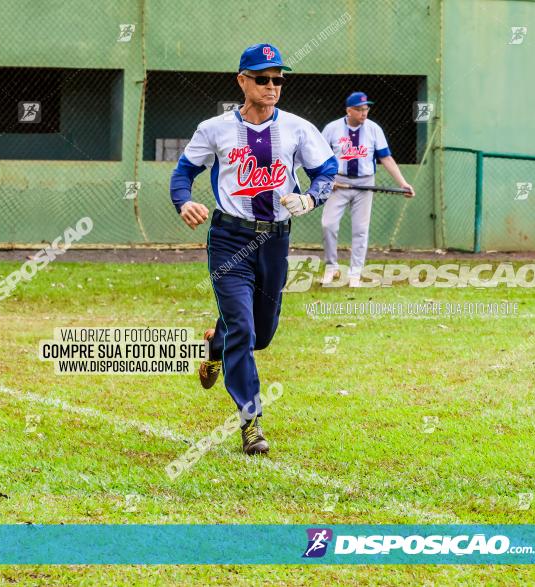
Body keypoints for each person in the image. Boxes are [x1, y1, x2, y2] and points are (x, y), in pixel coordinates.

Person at [169, 43, 337, 454]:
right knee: (243, 328)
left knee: (260, 335)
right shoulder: (215, 128)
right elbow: (183, 172)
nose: (272, 86)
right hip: (230, 238)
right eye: (262, 78)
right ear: (242, 81)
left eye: (278, 79)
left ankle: (213, 346)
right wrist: (183, 201)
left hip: (275, 241)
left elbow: (326, 170)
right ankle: (251, 424)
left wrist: (312, 198)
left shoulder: (298, 128)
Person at [320, 92, 415, 287]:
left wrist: (402, 183)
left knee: (361, 230)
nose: (364, 113)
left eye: (366, 109)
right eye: (359, 109)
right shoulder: (332, 129)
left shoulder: (373, 129)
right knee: (328, 224)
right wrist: (327, 180)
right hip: (338, 183)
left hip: (365, 183)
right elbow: (319, 158)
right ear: (349, 110)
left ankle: (355, 273)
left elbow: (385, 158)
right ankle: (332, 268)